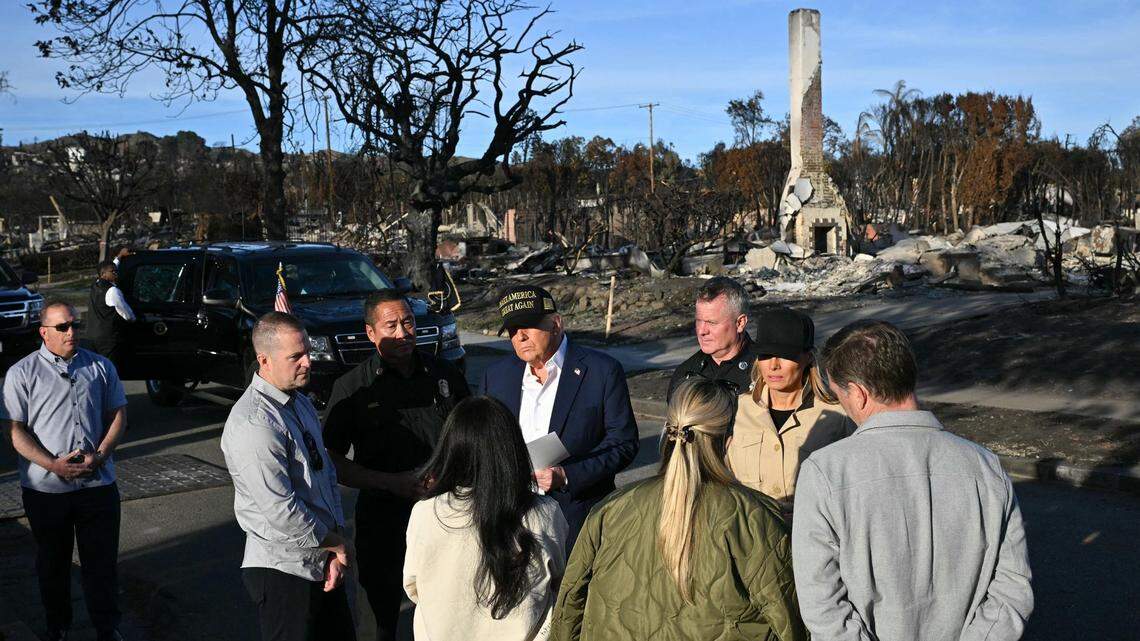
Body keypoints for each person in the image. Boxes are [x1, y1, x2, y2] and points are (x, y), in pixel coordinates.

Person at [792, 320, 1034, 641]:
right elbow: (1012, 588)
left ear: (860, 395)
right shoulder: (985, 466)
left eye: (839, 397)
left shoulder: (825, 472)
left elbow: (821, 601)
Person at [549, 378, 808, 641]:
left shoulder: (610, 510)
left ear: (667, 433)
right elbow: (790, 619)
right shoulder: (754, 517)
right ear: (728, 441)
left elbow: (570, 606)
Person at [323, 289, 470, 641]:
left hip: (446, 514)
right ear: (371, 333)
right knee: (379, 620)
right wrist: (391, 482)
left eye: (408, 322)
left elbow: (471, 437)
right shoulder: (353, 388)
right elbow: (330, 462)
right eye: (391, 325)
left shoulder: (443, 375)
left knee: (449, 613)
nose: (403, 332)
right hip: (384, 519)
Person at [220, 312, 356, 641]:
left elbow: (323, 477)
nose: (308, 362)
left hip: (319, 558)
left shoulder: (299, 403)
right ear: (263, 360)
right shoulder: (255, 423)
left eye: (307, 351)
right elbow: (281, 510)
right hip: (282, 572)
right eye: (296, 356)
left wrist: (332, 548)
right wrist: (336, 543)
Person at [1, 301, 128, 641]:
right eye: (62, 327)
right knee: (53, 564)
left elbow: (118, 414)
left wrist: (99, 456)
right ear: (43, 332)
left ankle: (107, 627)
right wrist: (52, 465)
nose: (71, 332)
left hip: (98, 486)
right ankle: (58, 626)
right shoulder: (21, 373)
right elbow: (15, 430)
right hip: (46, 491)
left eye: (74, 324)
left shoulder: (100, 367)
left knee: (101, 563)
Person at [481, 285, 638, 548]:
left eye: (527, 327)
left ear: (556, 324)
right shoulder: (496, 375)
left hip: (577, 518)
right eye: (511, 331)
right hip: (511, 517)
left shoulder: (601, 371)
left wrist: (567, 475)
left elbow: (624, 443)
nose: (519, 337)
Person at [403, 396, 568, 641]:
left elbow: (413, 586)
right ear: (512, 449)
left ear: (451, 449)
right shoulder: (545, 512)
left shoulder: (426, 511)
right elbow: (560, 584)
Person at [725, 307, 852, 516]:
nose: (773, 366)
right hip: (753, 540)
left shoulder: (838, 416)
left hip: (812, 540)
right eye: (766, 355)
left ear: (808, 358)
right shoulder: (737, 410)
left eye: (785, 355)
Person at [667, 276, 756, 401]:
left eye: (712, 323)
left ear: (740, 323)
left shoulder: (765, 373)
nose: (702, 331)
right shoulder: (685, 374)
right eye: (699, 321)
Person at [88, 261, 135, 370]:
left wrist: (119, 258)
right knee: (110, 370)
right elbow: (126, 314)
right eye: (113, 271)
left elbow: (105, 266)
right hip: (108, 339)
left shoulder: (94, 286)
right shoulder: (112, 290)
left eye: (116, 271)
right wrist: (134, 319)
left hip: (92, 336)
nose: (116, 274)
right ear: (103, 274)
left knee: (97, 369)